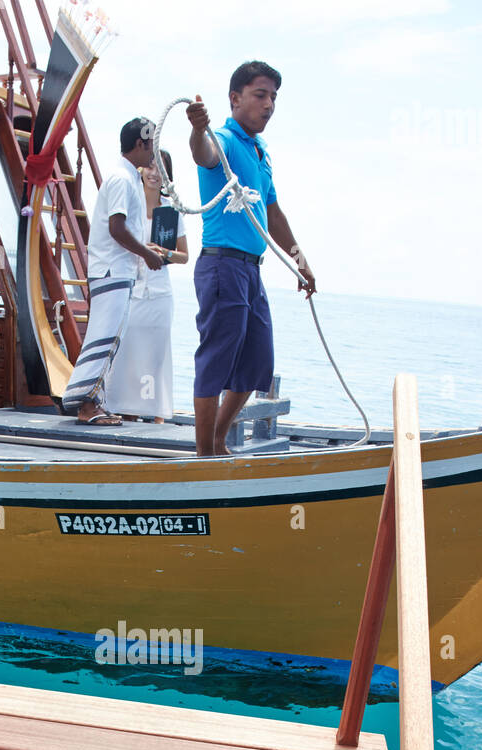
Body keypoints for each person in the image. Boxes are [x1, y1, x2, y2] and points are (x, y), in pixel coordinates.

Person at [186, 62, 316, 457]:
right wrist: (196, 128)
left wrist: (299, 258)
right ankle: (203, 456)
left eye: (274, 97)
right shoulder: (223, 139)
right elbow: (203, 153)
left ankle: (219, 440)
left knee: (257, 362)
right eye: (261, 95)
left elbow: (272, 213)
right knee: (215, 361)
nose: (269, 104)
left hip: (251, 270)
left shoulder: (260, 152)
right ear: (235, 98)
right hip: (222, 264)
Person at [61, 117, 163, 425]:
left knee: (109, 336)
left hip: (115, 270)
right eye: (152, 147)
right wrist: (146, 253)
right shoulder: (122, 178)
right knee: (105, 337)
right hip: (111, 270)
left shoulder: (128, 177)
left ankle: (93, 400)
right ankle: (85, 405)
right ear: (140, 144)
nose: (154, 154)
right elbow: (116, 227)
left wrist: (145, 251)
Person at [105, 149, 189, 423]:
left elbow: (184, 256)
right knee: (129, 355)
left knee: (155, 357)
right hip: (132, 290)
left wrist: (161, 253)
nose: (154, 173)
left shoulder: (171, 208)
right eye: (151, 167)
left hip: (160, 293)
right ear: (142, 169)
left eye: (161, 169)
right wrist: (142, 250)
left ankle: (155, 415)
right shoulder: (130, 202)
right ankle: (127, 411)